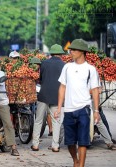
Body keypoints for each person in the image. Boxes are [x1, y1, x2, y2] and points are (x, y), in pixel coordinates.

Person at [55, 39, 100, 167]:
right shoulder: (67, 67)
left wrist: (96, 111)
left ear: (82, 52)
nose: (71, 52)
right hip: (68, 110)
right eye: (70, 50)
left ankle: (81, 165)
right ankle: (75, 160)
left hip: (84, 109)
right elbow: (62, 87)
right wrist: (59, 108)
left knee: (83, 141)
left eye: (74, 50)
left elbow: (96, 90)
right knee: (70, 142)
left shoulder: (90, 69)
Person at [31, 44, 65, 152]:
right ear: (60, 54)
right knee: (56, 121)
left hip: (43, 95)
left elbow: (40, 79)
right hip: (57, 96)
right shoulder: (64, 65)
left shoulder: (44, 63)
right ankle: (55, 146)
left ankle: (35, 144)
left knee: (39, 120)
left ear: (51, 53)